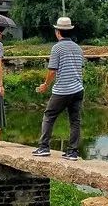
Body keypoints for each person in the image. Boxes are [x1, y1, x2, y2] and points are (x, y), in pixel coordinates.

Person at [32, 17, 86, 161]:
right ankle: (72, 152)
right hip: (78, 89)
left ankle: (44, 147)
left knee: (49, 116)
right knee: (75, 121)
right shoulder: (78, 48)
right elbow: (81, 68)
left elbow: (52, 70)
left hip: (63, 90)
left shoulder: (57, 48)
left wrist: (45, 85)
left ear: (58, 32)